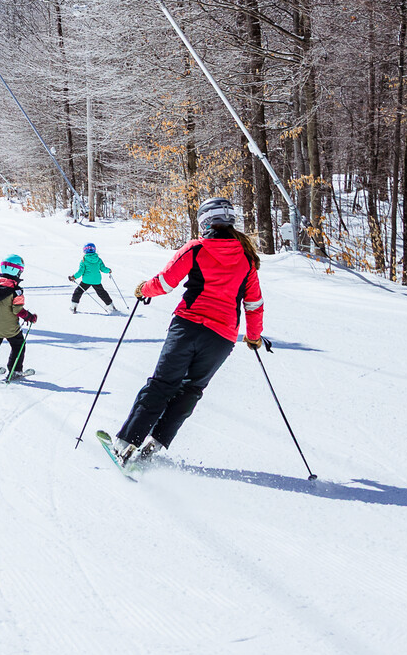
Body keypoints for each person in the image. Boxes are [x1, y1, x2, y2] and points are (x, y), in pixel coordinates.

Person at [111, 196, 264, 467]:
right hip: (222, 338)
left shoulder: (197, 248)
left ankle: (126, 442)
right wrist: (253, 336)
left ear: (205, 221)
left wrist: (142, 289)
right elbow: (253, 304)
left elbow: (165, 283)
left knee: (162, 384)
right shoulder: (247, 259)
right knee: (190, 390)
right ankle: (153, 446)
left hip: (188, 327)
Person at [70, 242, 115, 312]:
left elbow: (80, 272)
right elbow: (103, 269)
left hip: (86, 281)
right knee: (102, 293)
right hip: (97, 280)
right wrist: (109, 270)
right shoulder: (98, 259)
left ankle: (74, 306)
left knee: (78, 292)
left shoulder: (83, 260)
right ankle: (110, 305)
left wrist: (74, 277)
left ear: (84, 250)